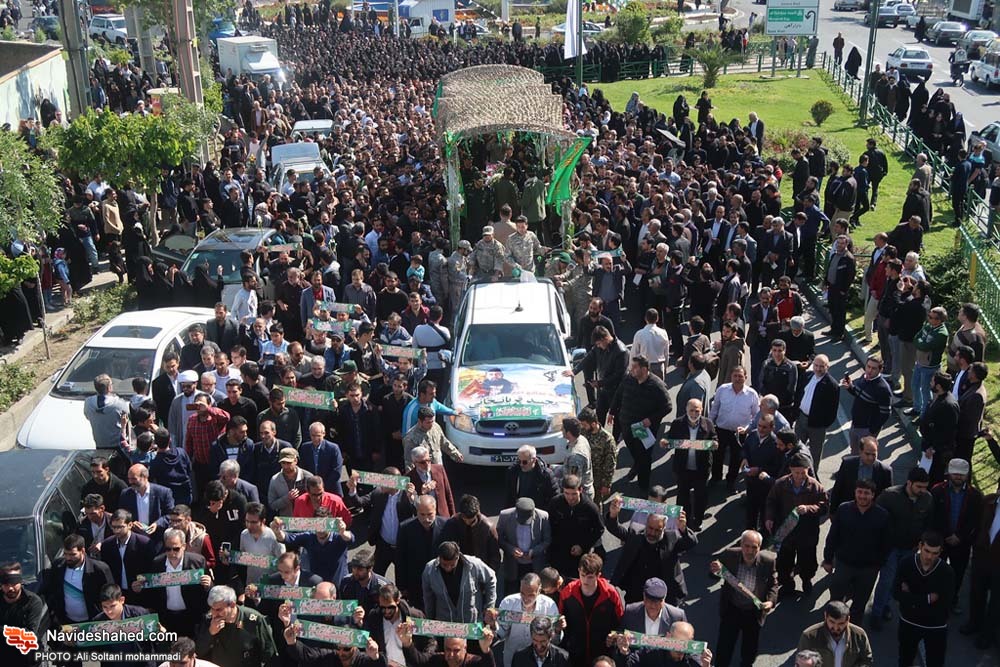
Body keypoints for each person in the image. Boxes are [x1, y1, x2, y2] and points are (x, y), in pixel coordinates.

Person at [870, 466, 933, 630]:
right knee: (886, 579)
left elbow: (927, 522)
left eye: (925, 487)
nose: (922, 490)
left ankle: (885, 605)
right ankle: (876, 613)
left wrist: (921, 541)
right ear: (909, 483)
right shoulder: (890, 496)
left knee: (897, 581)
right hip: (890, 547)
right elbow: (876, 518)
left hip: (911, 548)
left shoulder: (927, 499)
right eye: (919, 487)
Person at [606, 496, 696, 605]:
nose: (652, 533)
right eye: (650, 528)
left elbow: (691, 543)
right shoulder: (636, 536)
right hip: (637, 592)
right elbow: (615, 529)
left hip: (665, 594)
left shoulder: (672, 539)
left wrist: (683, 529)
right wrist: (613, 514)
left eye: (657, 530)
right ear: (646, 525)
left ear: (664, 528)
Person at [709, 530, 777, 667]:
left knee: (750, 648)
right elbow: (715, 574)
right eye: (747, 546)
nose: (750, 551)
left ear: (759, 547)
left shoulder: (768, 562)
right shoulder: (729, 555)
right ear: (741, 544)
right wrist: (714, 571)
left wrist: (770, 601)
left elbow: (773, 585)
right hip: (732, 608)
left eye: (754, 547)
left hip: (753, 611)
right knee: (725, 646)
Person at [765, 455, 828, 597]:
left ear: (808, 470)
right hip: (785, 532)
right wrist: (769, 518)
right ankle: (787, 584)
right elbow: (771, 502)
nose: (799, 476)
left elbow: (824, 507)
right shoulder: (780, 484)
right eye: (796, 472)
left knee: (807, 561)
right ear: (790, 470)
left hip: (807, 534)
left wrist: (809, 508)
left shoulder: (816, 487)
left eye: (802, 472)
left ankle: (806, 580)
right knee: (784, 562)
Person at [609, 355, 672, 492]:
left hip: (643, 429)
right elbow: (618, 394)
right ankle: (637, 466)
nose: (631, 369)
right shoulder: (629, 378)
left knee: (644, 457)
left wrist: (651, 419)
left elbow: (668, 407)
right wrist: (612, 412)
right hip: (627, 426)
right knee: (634, 451)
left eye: (634, 367)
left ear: (644, 369)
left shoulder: (656, 385)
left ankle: (643, 486)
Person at [894, 531, 955, 667]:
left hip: (936, 626)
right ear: (920, 546)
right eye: (927, 551)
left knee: (935, 662)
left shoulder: (947, 572)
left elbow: (944, 603)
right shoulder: (906, 564)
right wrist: (927, 599)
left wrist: (910, 598)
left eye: (935, 553)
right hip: (909, 622)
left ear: (941, 552)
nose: (929, 557)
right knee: (905, 660)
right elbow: (896, 593)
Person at [558, 553, 624, 667]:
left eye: (590, 577)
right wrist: (560, 624)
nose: (585, 580)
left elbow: (621, 623)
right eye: (582, 575)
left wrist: (614, 635)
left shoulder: (611, 594)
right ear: (578, 571)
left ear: (598, 575)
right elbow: (560, 618)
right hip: (575, 652)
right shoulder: (567, 593)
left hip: (602, 653)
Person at [662, 399, 717, 532]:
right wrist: (665, 442)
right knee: (682, 496)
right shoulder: (677, 423)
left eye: (697, 411)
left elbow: (714, 438)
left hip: (701, 468)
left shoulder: (708, 423)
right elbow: (670, 440)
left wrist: (715, 444)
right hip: (683, 468)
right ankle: (682, 521)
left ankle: (698, 520)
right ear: (686, 410)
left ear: (701, 410)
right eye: (691, 410)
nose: (694, 413)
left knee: (700, 496)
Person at [196, 585, 276, 667]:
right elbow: (198, 651)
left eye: (218, 609)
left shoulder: (254, 619)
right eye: (212, 608)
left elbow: (269, 652)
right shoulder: (209, 620)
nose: (214, 613)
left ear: (232, 604)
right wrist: (210, 632)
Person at [421, 540, 497, 623]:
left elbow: (491, 579)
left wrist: (489, 607)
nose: (448, 568)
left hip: (471, 623)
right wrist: (430, 620)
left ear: (458, 557)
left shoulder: (474, 565)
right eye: (444, 565)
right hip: (445, 624)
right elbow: (428, 598)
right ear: (439, 558)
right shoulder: (429, 571)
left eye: (452, 565)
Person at [548, 475, 605, 580]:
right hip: (558, 552)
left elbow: (599, 529)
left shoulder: (590, 508)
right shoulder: (555, 503)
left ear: (580, 490)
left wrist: (583, 546)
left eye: (574, 494)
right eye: (567, 493)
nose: (570, 498)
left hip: (579, 555)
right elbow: (549, 525)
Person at [395, 495, 447, 610]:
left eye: (430, 514)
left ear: (435, 510)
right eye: (422, 514)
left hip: (441, 582)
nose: (426, 519)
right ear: (416, 511)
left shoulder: (446, 525)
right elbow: (400, 559)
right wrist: (402, 587)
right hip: (416, 583)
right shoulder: (405, 528)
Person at [792, 354, 840, 465]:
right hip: (801, 419)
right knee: (796, 449)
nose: (818, 369)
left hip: (817, 426)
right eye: (816, 365)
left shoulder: (832, 385)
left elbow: (832, 410)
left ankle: (812, 474)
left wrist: (823, 424)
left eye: (822, 366)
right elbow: (798, 394)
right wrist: (796, 414)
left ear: (827, 367)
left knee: (815, 454)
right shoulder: (807, 376)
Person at [496, 498, 551, 594]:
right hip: (513, 565)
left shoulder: (543, 516)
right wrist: (511, 549)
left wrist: (534, 551)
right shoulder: (505, 516)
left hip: (534, 565)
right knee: (511, 591)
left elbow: (547, 540)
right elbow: (499, 538)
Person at [796, 601, 874, 667]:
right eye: (832, 622)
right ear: (825, 616)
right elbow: (801, 663)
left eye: (841, 623)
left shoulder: (859, 635)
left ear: (848, 620)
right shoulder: (809, 636)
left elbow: (867, 659)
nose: (836, 628)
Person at [0, 562, 47, 666]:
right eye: (6, 584)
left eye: (14, 583)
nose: (10, 588)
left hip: (25, 655)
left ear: (21, 582)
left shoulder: (33, 601)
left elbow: (30, 634)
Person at [842, 357, 893, 452]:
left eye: (874, 368)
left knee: (864, 455)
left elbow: (886, 413)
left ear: (880, 370)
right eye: (868, 367)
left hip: (866, 429)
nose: (869, 370)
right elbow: (859, 394)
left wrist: (872, 430)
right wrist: (850, 387)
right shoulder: (864, 377)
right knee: (854, 451)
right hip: (855, 425)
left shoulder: (883, 389)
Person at [829, 437, 893, 510]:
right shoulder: (848, 464)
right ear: (860, 451)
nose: (870, 458)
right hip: (848, 510)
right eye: (867, 454)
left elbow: (888, 497)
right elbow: (838, 489)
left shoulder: (885, 471)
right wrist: (832, 510)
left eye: (874, 454)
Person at [84, 374, 131, 450]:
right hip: (117, 446)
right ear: (109, 388)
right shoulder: (118, 403)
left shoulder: (88, 402)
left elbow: (87, 416)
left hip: (99, 444)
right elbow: (127, 417)